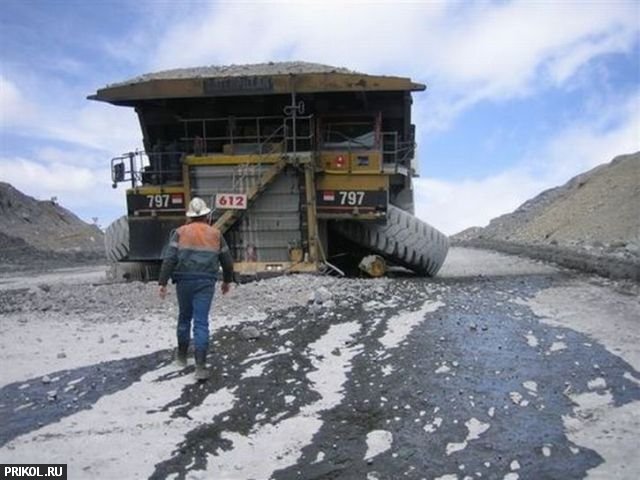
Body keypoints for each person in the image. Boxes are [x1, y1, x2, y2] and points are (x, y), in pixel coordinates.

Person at [158, 197, 234, 381]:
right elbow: (227, 262)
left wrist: (162, 282)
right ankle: (200, 367)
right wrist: (226, 281)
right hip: (206, 282)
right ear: (207, 215)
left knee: (184, 318)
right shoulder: (216, 234)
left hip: (184, 281)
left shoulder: (179, 232)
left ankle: (182, 357)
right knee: (201, 322)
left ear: (190, 216)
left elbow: (169, 259)